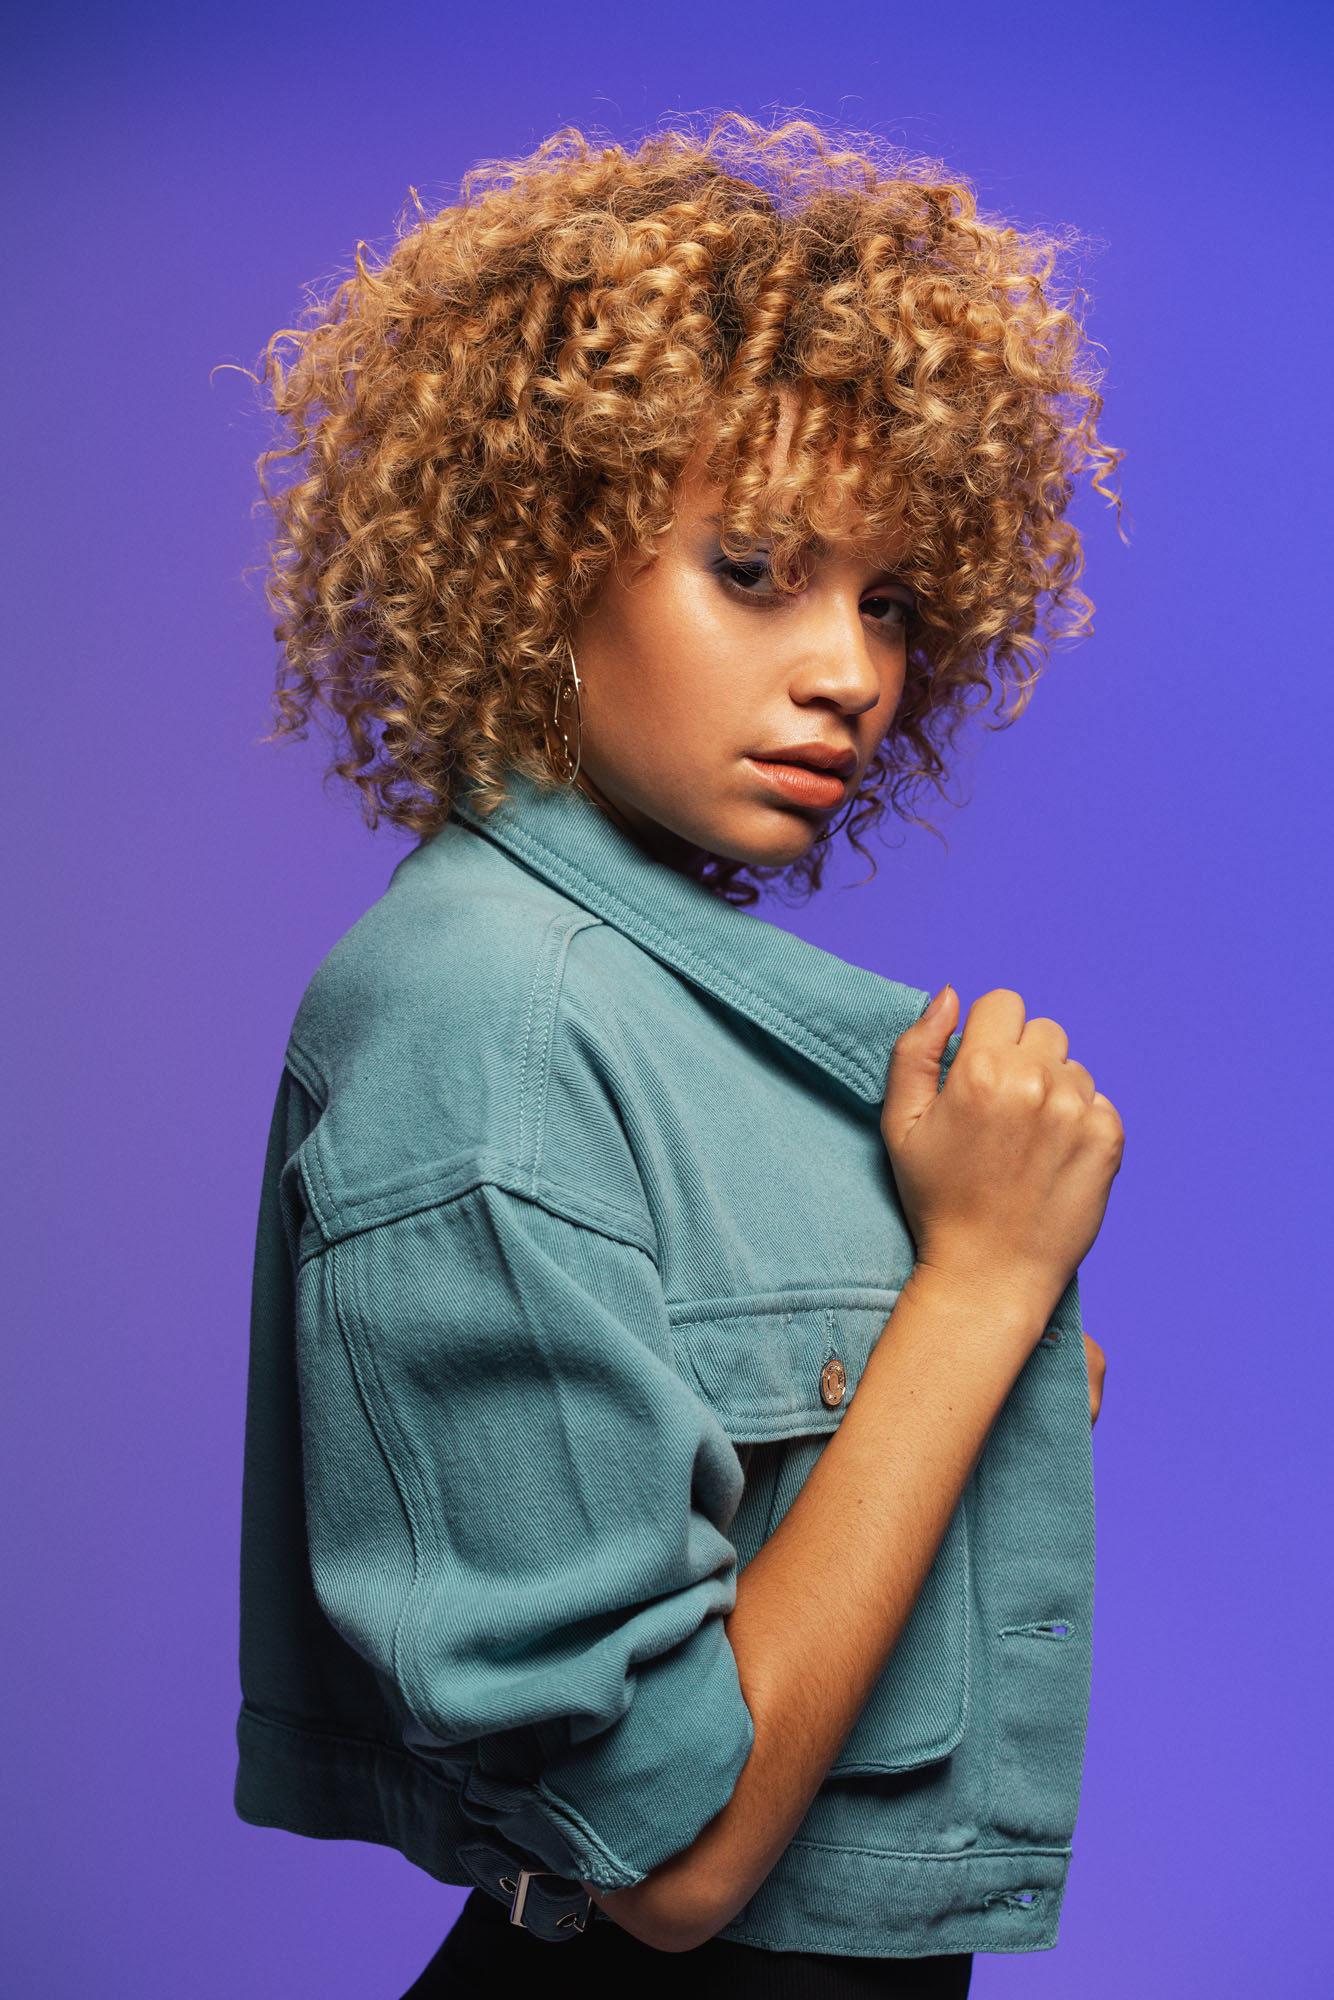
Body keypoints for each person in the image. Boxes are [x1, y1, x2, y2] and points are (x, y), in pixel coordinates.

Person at [235, 116, 1124, 1998]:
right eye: (756, 568)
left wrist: (958, 1394)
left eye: (888, 600)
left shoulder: (671, 1011)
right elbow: (666, 1858)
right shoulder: (487, 1017)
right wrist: (977, 1291)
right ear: (536, 555)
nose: (851, 673)